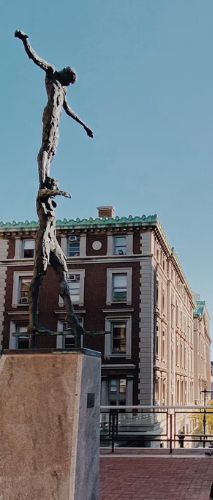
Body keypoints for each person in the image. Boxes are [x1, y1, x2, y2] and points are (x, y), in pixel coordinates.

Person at [14, 30, 94, 187]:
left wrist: (85, 126)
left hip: (57, 120)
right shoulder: (52, 74)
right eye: (69, 82)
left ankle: (47, 180)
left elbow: (68, 109)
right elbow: (35, 58)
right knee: (46, 147)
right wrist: (25, 40)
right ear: (65, 74)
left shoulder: (63, 89)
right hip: (50, 115)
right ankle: (42, 182)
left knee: (52, 151)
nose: (68, 85)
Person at [28, 176, 83, 337]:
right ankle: (33, 323)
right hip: (43, 238)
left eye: (57, 185)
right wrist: (58, 192)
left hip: (53, 240)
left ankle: (71, 318)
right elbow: (42, 193)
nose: (55, 187)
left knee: (64, 273)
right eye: (54, 185)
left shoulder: (51, 204)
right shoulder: (42, 198)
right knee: (39, 276)